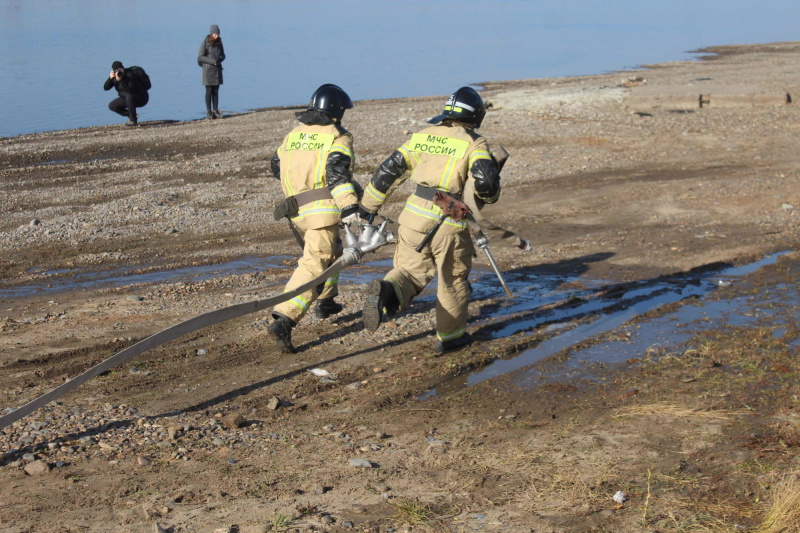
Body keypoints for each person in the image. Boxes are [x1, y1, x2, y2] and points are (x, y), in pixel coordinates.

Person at [359, 87, 502, 353]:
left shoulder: (421, 136)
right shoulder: (474, 142)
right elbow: (486, 183)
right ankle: (451, 337)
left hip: (413, 216)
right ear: (475, 116)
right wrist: (490, 196)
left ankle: (387, 290)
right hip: (448, 221)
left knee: (410, 273)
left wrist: (368, 206)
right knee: (453, 281)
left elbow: (388, 171)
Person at [266, 84, 361, 353]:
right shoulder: (337, 137)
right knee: (314, 263)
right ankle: (284, 319)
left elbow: (276, 165)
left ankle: (326, 301)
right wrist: (350, 206)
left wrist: (299, 184)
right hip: (322, 211)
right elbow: (338, 176)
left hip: (297, 210)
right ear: (336, 112)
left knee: (333, 251)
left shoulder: (293, 135)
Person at [103, 61, 149, 126]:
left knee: (129, 96)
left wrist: (120, 80)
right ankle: (130, 115)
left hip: (141, 98)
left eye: (121, 69)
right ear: (114, 71)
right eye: (117, 70)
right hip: (126, 98)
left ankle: (133, 121)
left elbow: (129, 90)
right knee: (112, 106)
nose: (120, 72)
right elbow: (106, 88)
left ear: (123, 68)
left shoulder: (130, 75)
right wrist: (110, 78)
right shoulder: (115, 77)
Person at [198, 24, 225, 119]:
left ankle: (216, 110)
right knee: (209, 91)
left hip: (217, 70)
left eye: (217, 34)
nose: (216, 36)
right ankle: (209, 111)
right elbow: (200, 57)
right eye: (215, 34)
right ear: (211, 34)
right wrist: (213, 62)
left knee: (216, 91)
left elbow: (223, 55)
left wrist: (220, 59)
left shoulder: (219, 42)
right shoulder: (205, 42)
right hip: (208, 71)